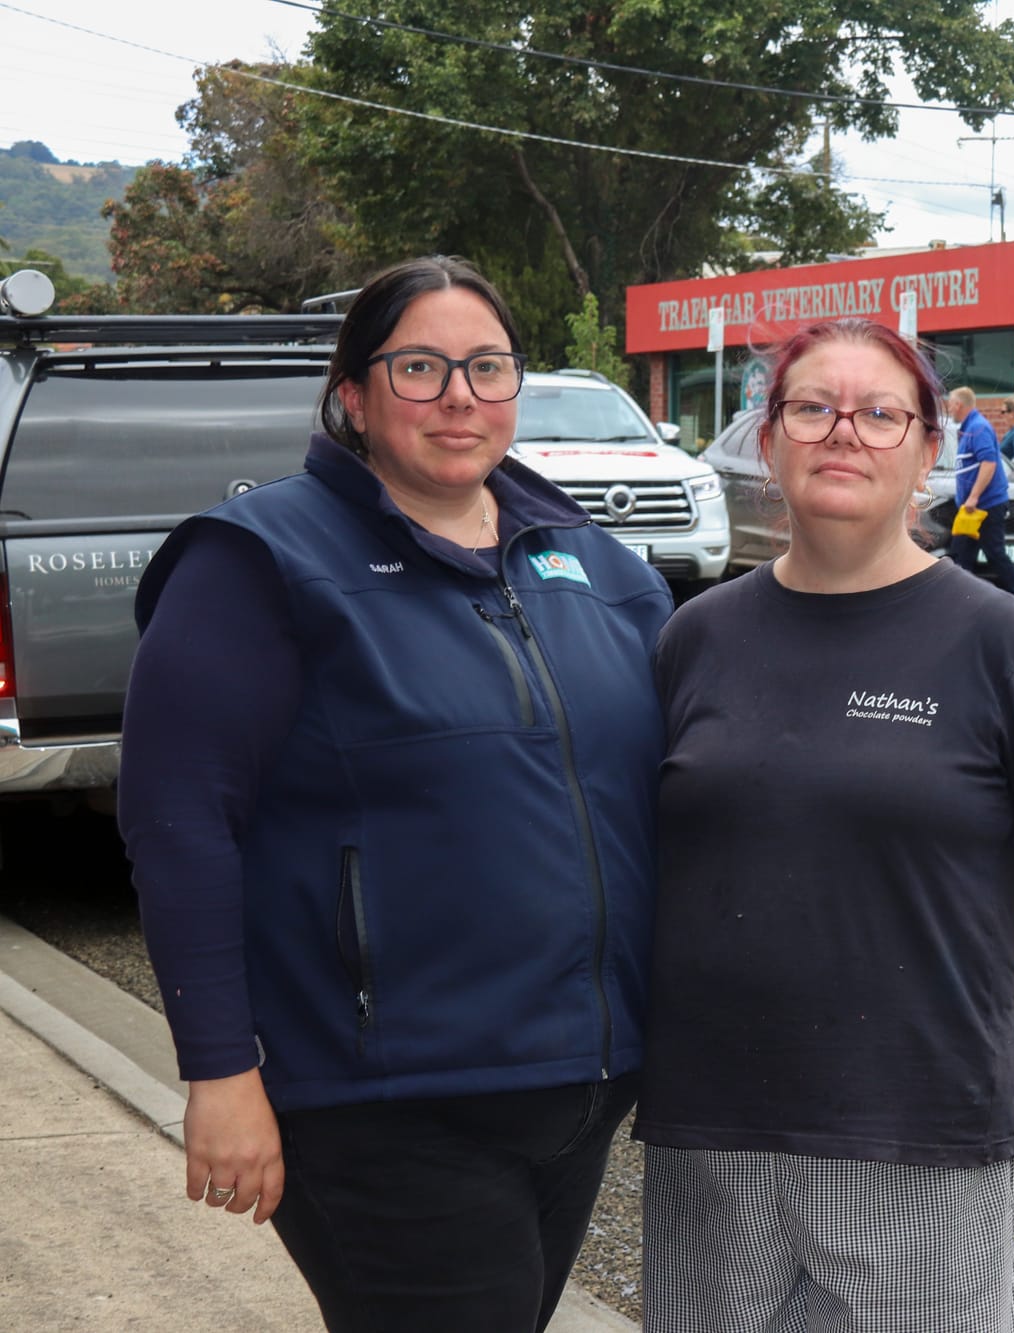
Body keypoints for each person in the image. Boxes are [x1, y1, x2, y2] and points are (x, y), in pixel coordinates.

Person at [117, 256, 673, 1332]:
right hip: (387, 1097)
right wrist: (220, 1071)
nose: (459, 396)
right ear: (354, 397)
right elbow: (180, 825)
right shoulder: (258, 561)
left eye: (487, 365)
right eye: (419, 367)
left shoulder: (596, 567)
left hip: (579, 1082)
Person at [636, 317, 1014, 1332]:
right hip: (712, 1122)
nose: (841, 433)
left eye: (878, 413)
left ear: (929, 449)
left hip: (914, 1123)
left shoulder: (1001, 645)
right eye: (811, 408)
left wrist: (954, 1016)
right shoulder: (695, 638)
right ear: (768, 441)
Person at [943, 384, 1014, 603]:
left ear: (958, 404)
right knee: (962, 554)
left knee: (994, 553)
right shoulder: (968, 428)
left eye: (950, 404)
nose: (949, 409)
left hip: (985, 506)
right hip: (971, 509)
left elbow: (989, 464)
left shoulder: (979, 428)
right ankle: (963, 602)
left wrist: (973, 497)